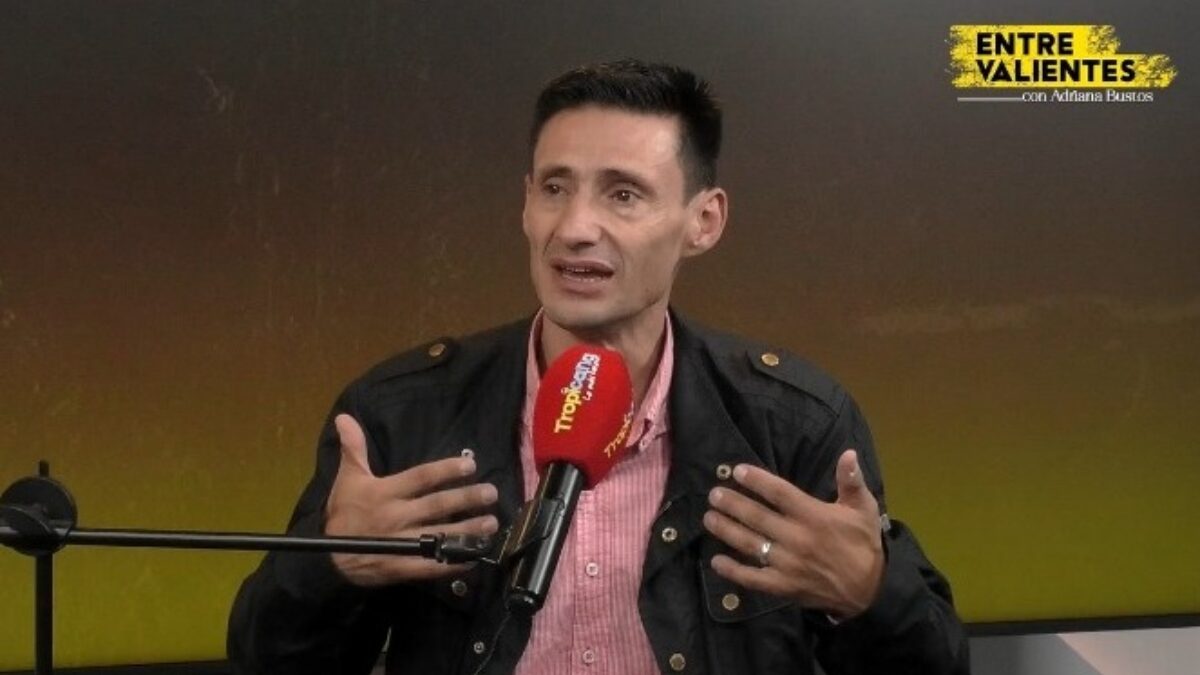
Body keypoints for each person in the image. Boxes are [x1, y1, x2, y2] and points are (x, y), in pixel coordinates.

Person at [228, 59, 969, 675]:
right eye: (555, 188)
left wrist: (869, 593)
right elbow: (267, 661)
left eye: (623, 194)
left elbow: (936, 664)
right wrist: (329, 570)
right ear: (526, 205)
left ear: (703, 220)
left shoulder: (793, 423)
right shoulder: (401, 413)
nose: (576, 227)